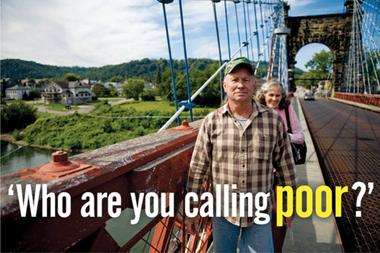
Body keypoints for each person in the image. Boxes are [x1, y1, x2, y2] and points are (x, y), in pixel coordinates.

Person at [186, 57, 296, 253]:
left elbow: (285, 166)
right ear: (225, 85)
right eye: (235, 79)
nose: (240, 85)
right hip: (223, 210)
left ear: (254, 84)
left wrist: (288, 201)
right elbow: (198, 168)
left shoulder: (273, 121)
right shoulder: (211, 122)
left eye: (246, 80)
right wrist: (193, 208)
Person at [257, 80, 304, 252]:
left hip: (280, 174)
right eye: (271, 95)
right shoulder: (255, 110)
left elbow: (299, 136)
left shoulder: (286, 109)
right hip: (260, 173)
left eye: (278, 95)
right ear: (264, 95)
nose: (275, 98)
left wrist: (282, 136)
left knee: (280, 216)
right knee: (260, 217)